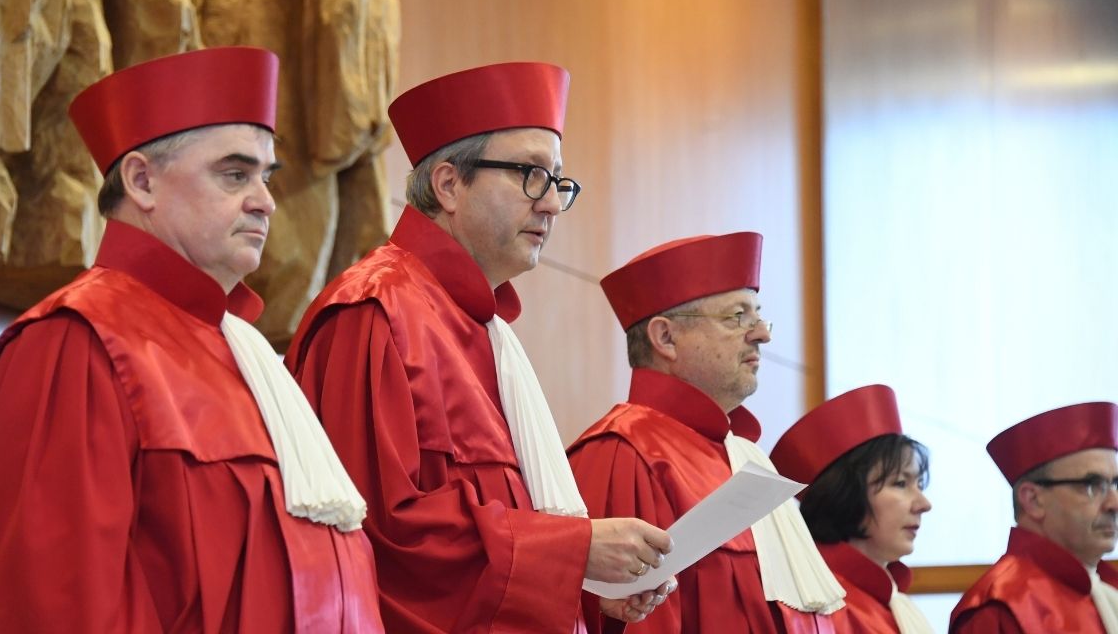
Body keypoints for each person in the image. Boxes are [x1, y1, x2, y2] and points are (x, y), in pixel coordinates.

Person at [0, 47, 384, 633]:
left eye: (265, 177)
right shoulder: (75, 346)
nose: (266, 200)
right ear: (142, 180)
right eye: (234, 173)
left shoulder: (248, 359)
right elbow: (52, 610)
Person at [286, 61, 675, 632]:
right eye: (530, 174)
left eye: (557, 183)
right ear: (448, 184)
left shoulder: (487, 332)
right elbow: (381, 536)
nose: (549, 204)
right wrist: (573, 552)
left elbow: (505, 534)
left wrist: (587, 586)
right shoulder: (375, 313)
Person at [567, 233, 845, 633]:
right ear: (665, 337)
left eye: (758, 314)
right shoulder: (626, 451)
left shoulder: (744, 457)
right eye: (736, 317)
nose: (762, 334)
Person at [769, 384, 934, 633]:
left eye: (919, 484)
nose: (924, 504)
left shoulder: (891, 600)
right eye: (900, 483)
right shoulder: (822, 607)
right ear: (844, 493)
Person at [950, 401, 1118, 633]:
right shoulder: (999, 608)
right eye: (1092, 485)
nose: (1114, 504)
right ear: (1033, 500)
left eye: (1115, 484)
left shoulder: (1106, 588)